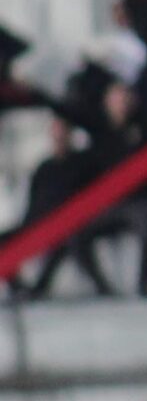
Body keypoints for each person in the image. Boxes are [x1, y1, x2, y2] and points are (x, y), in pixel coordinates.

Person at [6, 116, 115, 300]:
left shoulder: (83, 163)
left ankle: (42, 287)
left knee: (66, 238)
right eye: (55, 131)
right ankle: (18, 287)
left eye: (62, 131)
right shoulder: (44, 167)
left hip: (69, 222)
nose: (58, 136)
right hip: (38, 223)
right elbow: (32, 204)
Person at [83, 79, 147, 298]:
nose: (121, 103)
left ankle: (145, 284)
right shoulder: (101, 134)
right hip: (114, 205)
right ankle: (102, 287)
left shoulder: (146, 127)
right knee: (76, 232)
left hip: (144, 200)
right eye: (116, 98)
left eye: (125, 97)